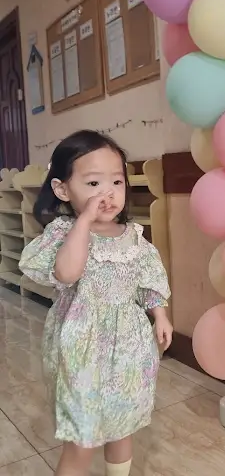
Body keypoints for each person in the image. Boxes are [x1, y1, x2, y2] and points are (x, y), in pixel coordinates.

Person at [19, 130, 173, 476]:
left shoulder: (134, 237)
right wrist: (84, 222)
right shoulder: (64, 233)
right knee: (83, 435)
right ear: (62, 190)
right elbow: (67, 273)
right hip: (81, 347)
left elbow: (149, 280)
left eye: (116, 182)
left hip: (129, 348)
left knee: (121, 424)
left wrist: (160, 315)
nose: (108, 193)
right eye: (93, 184)